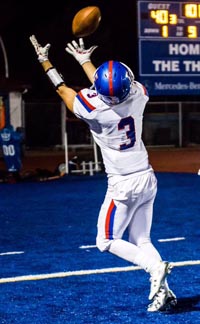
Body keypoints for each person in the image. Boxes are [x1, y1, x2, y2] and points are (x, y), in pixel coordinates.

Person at [29, 35, 177, 312]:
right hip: (146, 176)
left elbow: (63, 90)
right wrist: (86, 61)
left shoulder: (94, 109)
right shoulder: (139, 95)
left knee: (106, 240)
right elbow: (112, 86)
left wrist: (44, 61)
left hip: (122, 183)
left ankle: (154, 267)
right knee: (142, 239)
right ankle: (165, 293)